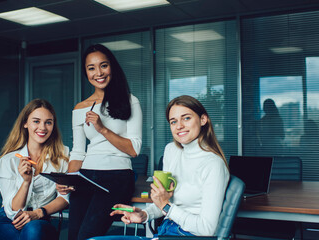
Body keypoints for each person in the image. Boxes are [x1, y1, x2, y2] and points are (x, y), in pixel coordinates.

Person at [110, 95, 229, 238]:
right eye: (173, 121)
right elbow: (165, 203)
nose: (179, 126)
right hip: (166, 229)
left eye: (186, 118)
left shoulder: (213, 164)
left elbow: (207, 229)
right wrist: (144, 214)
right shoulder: (171, 150)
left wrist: (166, 205)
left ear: (203, 119)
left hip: (189, 235)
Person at [57, 44, 142, 240]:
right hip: (86, 176)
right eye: (91, 68)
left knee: (87, 237)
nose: (98, 73)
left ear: (112, 67)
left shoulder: (130, 101)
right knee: (73, 237)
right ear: (86, 72)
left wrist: (102, 128)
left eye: (103, 65)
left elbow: (134, 149)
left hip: (117, 176)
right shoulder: (80, 108)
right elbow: (78, 152)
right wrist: (68, 181)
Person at [0, 99, 69, 240]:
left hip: (41, 220)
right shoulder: (8, 161)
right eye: (36, 121)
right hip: (9, 220)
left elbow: (65, 198)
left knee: (33, 229)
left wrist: (38, 213)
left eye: (48, 122)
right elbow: (13, 211)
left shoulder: (62, 157)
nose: (42, 127)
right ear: (25, 123)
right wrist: (26, 182)